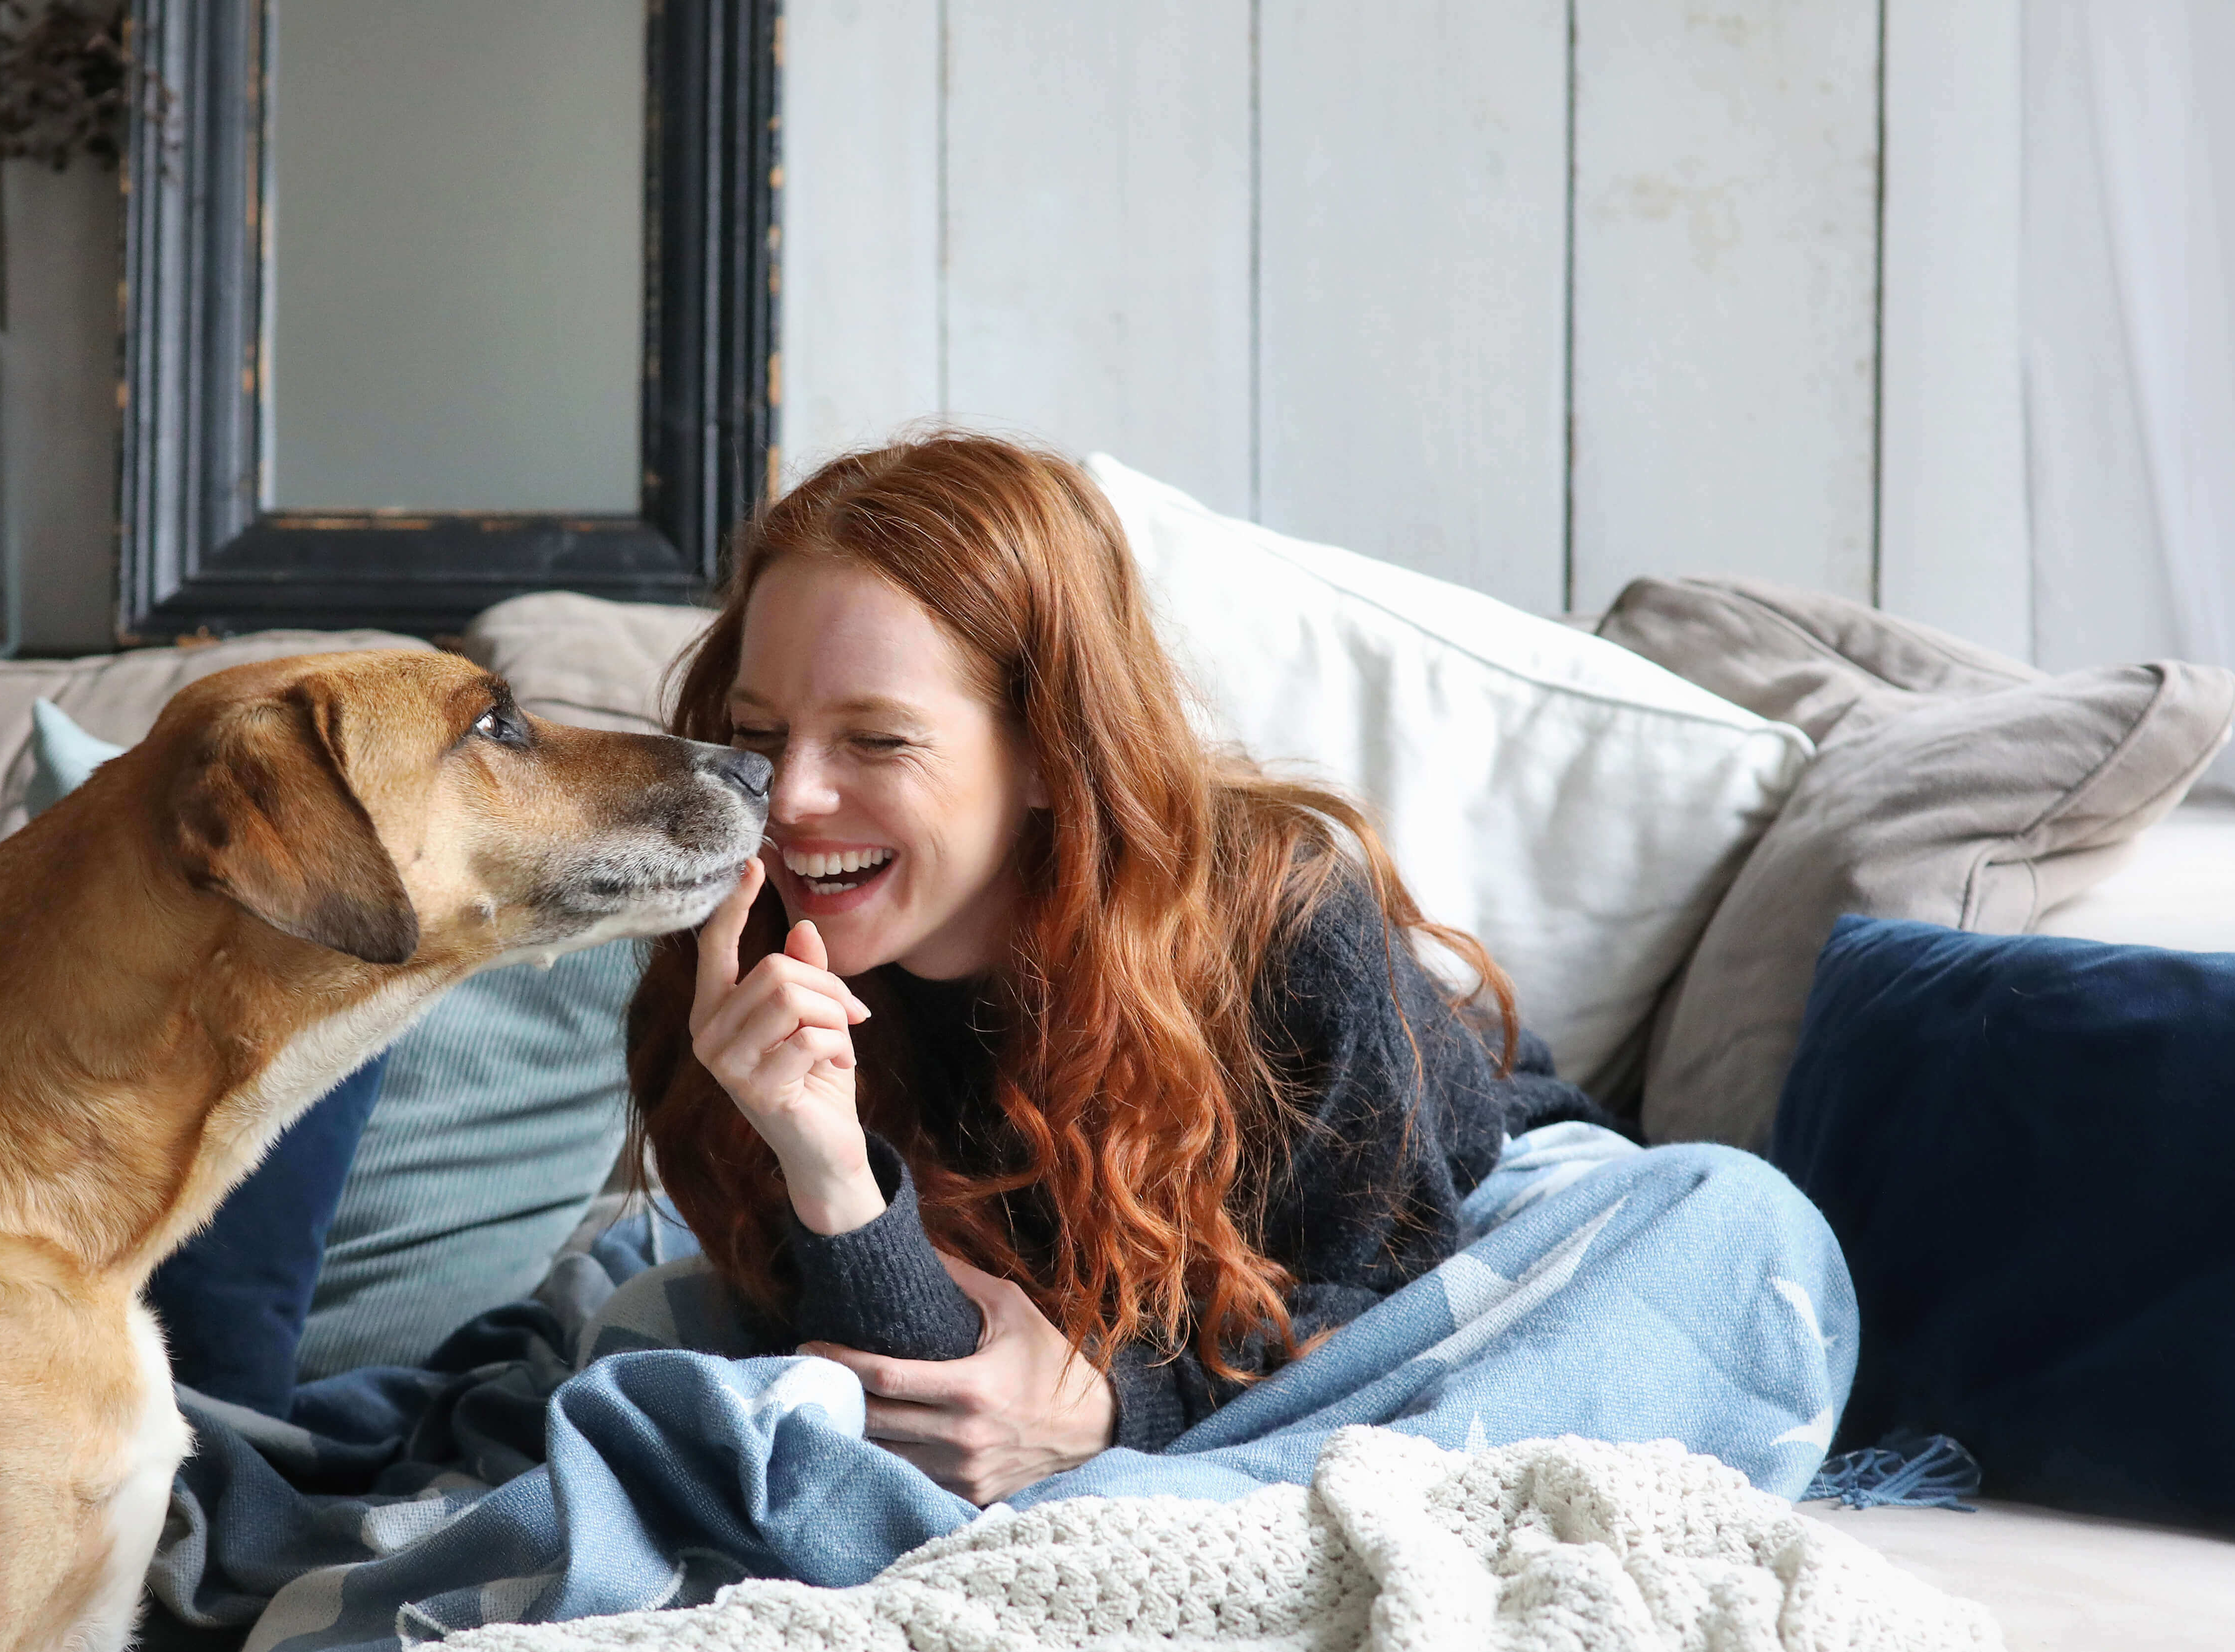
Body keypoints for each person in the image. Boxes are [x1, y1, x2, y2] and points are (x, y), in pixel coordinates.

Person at [623, 432, 1617, 1504]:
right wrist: (826, 1164)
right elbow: (927, 1414)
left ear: (1049, 752)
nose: (793, 796)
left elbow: (1387, 1324)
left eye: (876, 741)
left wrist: (1111, 1413)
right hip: (1148, 1337)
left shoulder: (1281, 925)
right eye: (759, 732)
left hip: (1445, 1207)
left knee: (1729, 1212)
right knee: (635, 1338)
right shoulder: (731, 969)